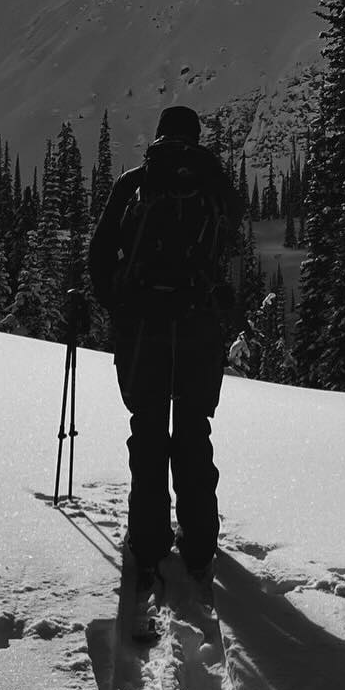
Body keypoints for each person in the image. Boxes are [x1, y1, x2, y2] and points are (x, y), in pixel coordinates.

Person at [88, 106, 242, 599]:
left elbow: (99, 251)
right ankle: (199, 544)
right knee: (194, 431)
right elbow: (227, 250)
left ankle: (150, 541)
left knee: (149, 430)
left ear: (158, 135)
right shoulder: (215, 181)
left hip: (145, 329)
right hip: (197, 329)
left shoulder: (134, 182)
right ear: (195, 137)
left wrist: (120, 303)